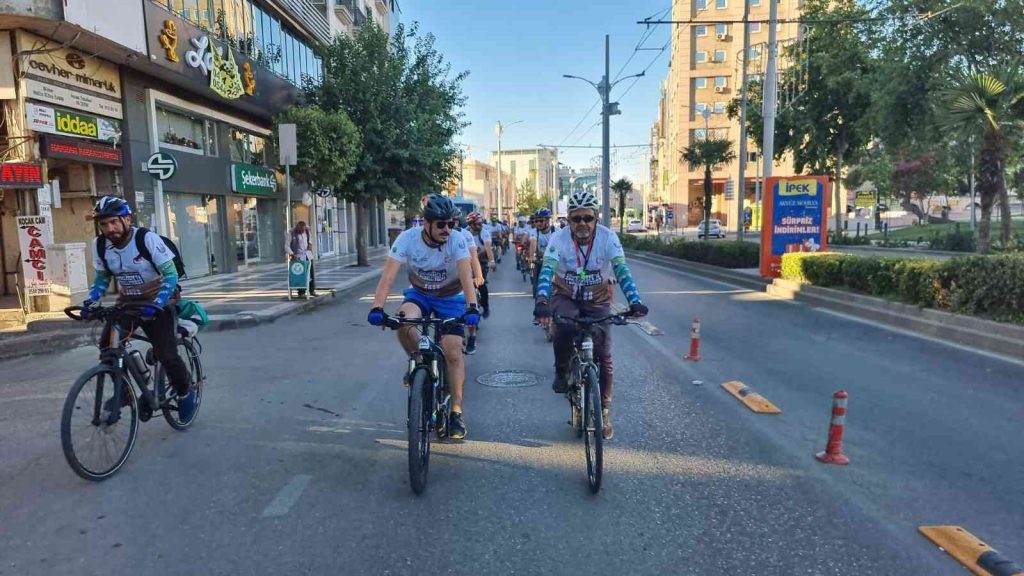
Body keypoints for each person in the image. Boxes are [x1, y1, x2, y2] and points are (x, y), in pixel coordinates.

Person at [533, 190, 648, 440]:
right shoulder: (558, 240)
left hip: (597, 297)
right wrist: (542, 301)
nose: (582, 224)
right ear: (568, 221)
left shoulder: (608, 238)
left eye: (587, 218)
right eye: (576, 219)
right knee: (562, 327)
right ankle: (562, 371)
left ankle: (604, 411)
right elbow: (547, 270)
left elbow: (622, 269)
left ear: (596, 218)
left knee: (604, 355)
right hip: (565, 293)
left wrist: (635, 300)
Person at [368, 195, 480, 439]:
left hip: (452, 298)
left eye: (451, 224)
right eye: (441, 224)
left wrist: (472, 307)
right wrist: (377, 307)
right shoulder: (407, 239)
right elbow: (387, 277)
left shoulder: (457, 240)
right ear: (426, 223)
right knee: (404, 322)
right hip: (419, 294)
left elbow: (465, 275)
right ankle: (418, 360)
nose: (447, 229)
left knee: (452, 352)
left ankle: (456, 412)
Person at [83, 196, 196, 421]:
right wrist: (91, 301)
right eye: (104, 224)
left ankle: (185, 393)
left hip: (159, 299)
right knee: (108, 349)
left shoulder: (146, 239)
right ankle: (124, 394)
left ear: (127, 219)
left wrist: (158, 303)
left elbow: (171, 274)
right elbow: (103, 277)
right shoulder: (100, 245)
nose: (109, 228)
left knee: (166, 354)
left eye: (114, 222)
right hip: (128, 302)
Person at [465, 212, 495, 354]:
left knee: (481, 283)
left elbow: (488, 248)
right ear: (470, 224)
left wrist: (491, 260)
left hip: (481, 260)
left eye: (481, 223)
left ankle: (486, 305)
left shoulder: (485, 233)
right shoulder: (464, 233)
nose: (480, 226)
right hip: (466, 261)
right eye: (477, 224)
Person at [527, 208, 554, 298]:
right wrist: (531, 257)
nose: (538, 223)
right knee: (536, 274)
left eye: (541, 220)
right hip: (540, 259)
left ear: (547, 221)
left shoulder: (556, 232)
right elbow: (533, 244)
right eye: (536, 221)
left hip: (554, 259)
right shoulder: (535, 232)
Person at [286, 221, 316, 298]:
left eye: (303, 229)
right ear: (297, 227)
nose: (302, 231)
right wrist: (292, 254)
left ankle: (311, 290)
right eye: (300, 230)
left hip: (307, 254)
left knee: (311, 273)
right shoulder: (291, 233)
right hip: (298, 255)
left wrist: (310, 244)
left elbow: (310, 239)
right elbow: (287, 246)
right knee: (301, 274)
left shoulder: (307, 231)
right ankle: (301, 292)